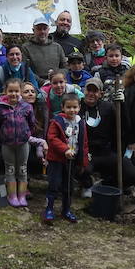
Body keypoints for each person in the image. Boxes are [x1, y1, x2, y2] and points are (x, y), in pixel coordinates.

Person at [43, 89, 88, 224]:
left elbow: (84, 142)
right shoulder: (57, 121)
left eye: (75, 107)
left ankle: (66, 209)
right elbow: (52, 138)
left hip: (72, 160)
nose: (72, 110)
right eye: (68, 107)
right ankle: (49, 208)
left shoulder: (81, 122)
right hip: (57, 159)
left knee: (68, 186)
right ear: (63, 107)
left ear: (79, 107)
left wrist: (83, 161)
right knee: (54, 184)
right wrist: (65, 149)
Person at [0, 77, 36, 208]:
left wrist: (27, 135)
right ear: (5, 92)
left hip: (23, 144)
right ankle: (12, 195)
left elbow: (32, 123)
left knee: (23, 169)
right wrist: (2, 137)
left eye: (16, 91)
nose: (13, 94)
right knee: (10, 169)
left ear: (20, 92)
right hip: (7, 145)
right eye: (10, 91)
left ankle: (22, 195)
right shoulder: (0, 108)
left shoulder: (27, 107)